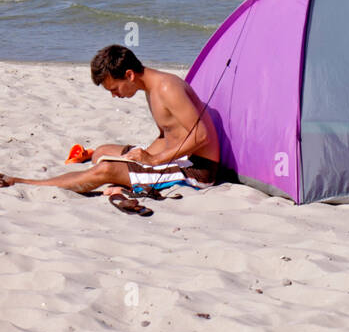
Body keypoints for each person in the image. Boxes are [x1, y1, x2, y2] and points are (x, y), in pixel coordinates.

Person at [0, 45, 220, 214]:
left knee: (104, 169)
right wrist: (139, 159)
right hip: (175, 157)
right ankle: (127, 175)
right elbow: (167, 134)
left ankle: (21, 181)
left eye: (114, 89)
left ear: (129, 75)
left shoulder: (167, 87)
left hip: (195, 171)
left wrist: (153, 160)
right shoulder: (151, 87)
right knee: (101, 151)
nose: (114, 95)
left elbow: (201, 135)